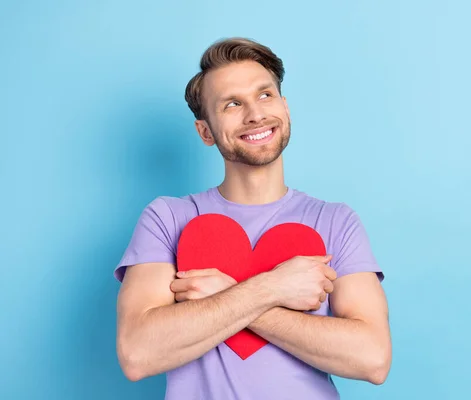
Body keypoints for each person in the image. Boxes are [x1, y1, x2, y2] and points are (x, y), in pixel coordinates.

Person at [114, 37, 391, 400]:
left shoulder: (336, 221)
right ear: (206, 132)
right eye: (232, 104)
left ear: (285, 108)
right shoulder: (167, 219)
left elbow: (372, 359)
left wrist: (227, 295)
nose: (255, 114)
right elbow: (138, 354)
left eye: (265, 95)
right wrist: (271, 288)